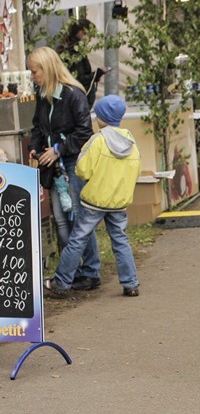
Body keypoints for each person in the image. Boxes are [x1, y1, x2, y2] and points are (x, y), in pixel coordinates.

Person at [44, 95, 142, 298]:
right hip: (118, 202)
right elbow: (136, 169)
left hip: (94, 201)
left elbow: (82, 170)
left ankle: (61, 283)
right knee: (120, 240)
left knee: (77, 240)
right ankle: (131, 284)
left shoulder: (97, 141)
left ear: (102, 117)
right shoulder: (130, 142)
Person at [27, 46, 101, 291]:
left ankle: (89, 271)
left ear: (46, 69)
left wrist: (58, 149)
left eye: (34, 71)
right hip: (54, 166)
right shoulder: (43, 93)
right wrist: (35, 148)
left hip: (71, 164)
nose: (32, 76)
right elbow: (38, 126)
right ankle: (77, 270)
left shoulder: (73, 94)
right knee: (61, 220)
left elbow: (84, 132)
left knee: (78, 218)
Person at [56, 18, 106, 108]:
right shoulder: (74, 51)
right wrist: (95, 75)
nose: (90, 40)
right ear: (81, 33)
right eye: (89, 36)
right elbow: (78, 78)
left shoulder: (66, 48)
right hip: (78, 100)